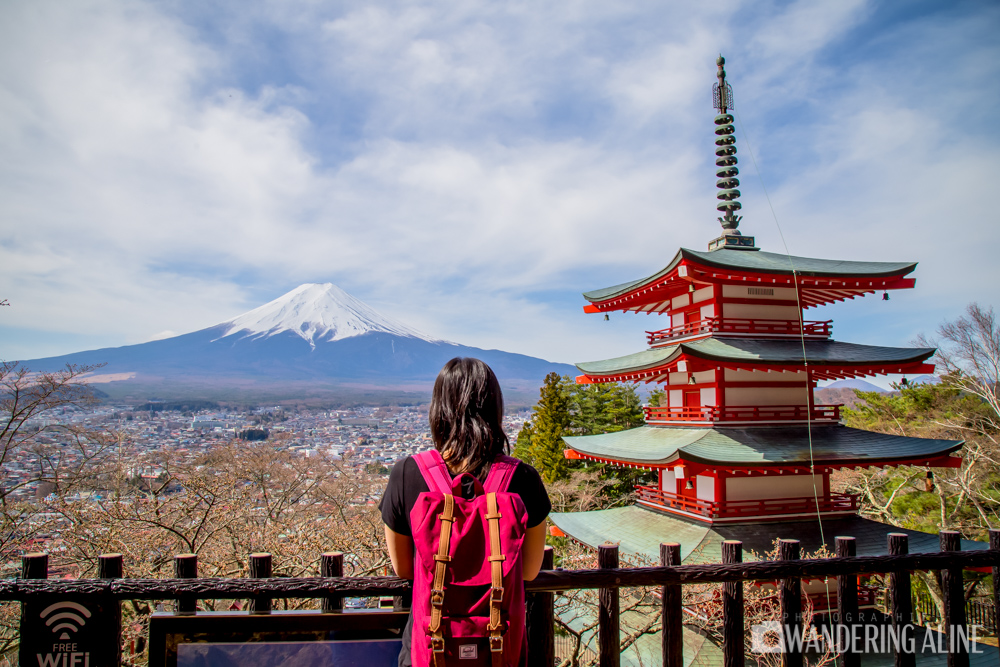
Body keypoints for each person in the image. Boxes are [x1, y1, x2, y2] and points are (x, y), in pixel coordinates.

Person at [380, 357, 550, 667]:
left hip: (431, 647)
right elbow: (529, 571)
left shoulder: (407, 474)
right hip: (497, 649)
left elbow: (404, 568)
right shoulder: (522, 479)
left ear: (438, 409)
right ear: (494, 407)